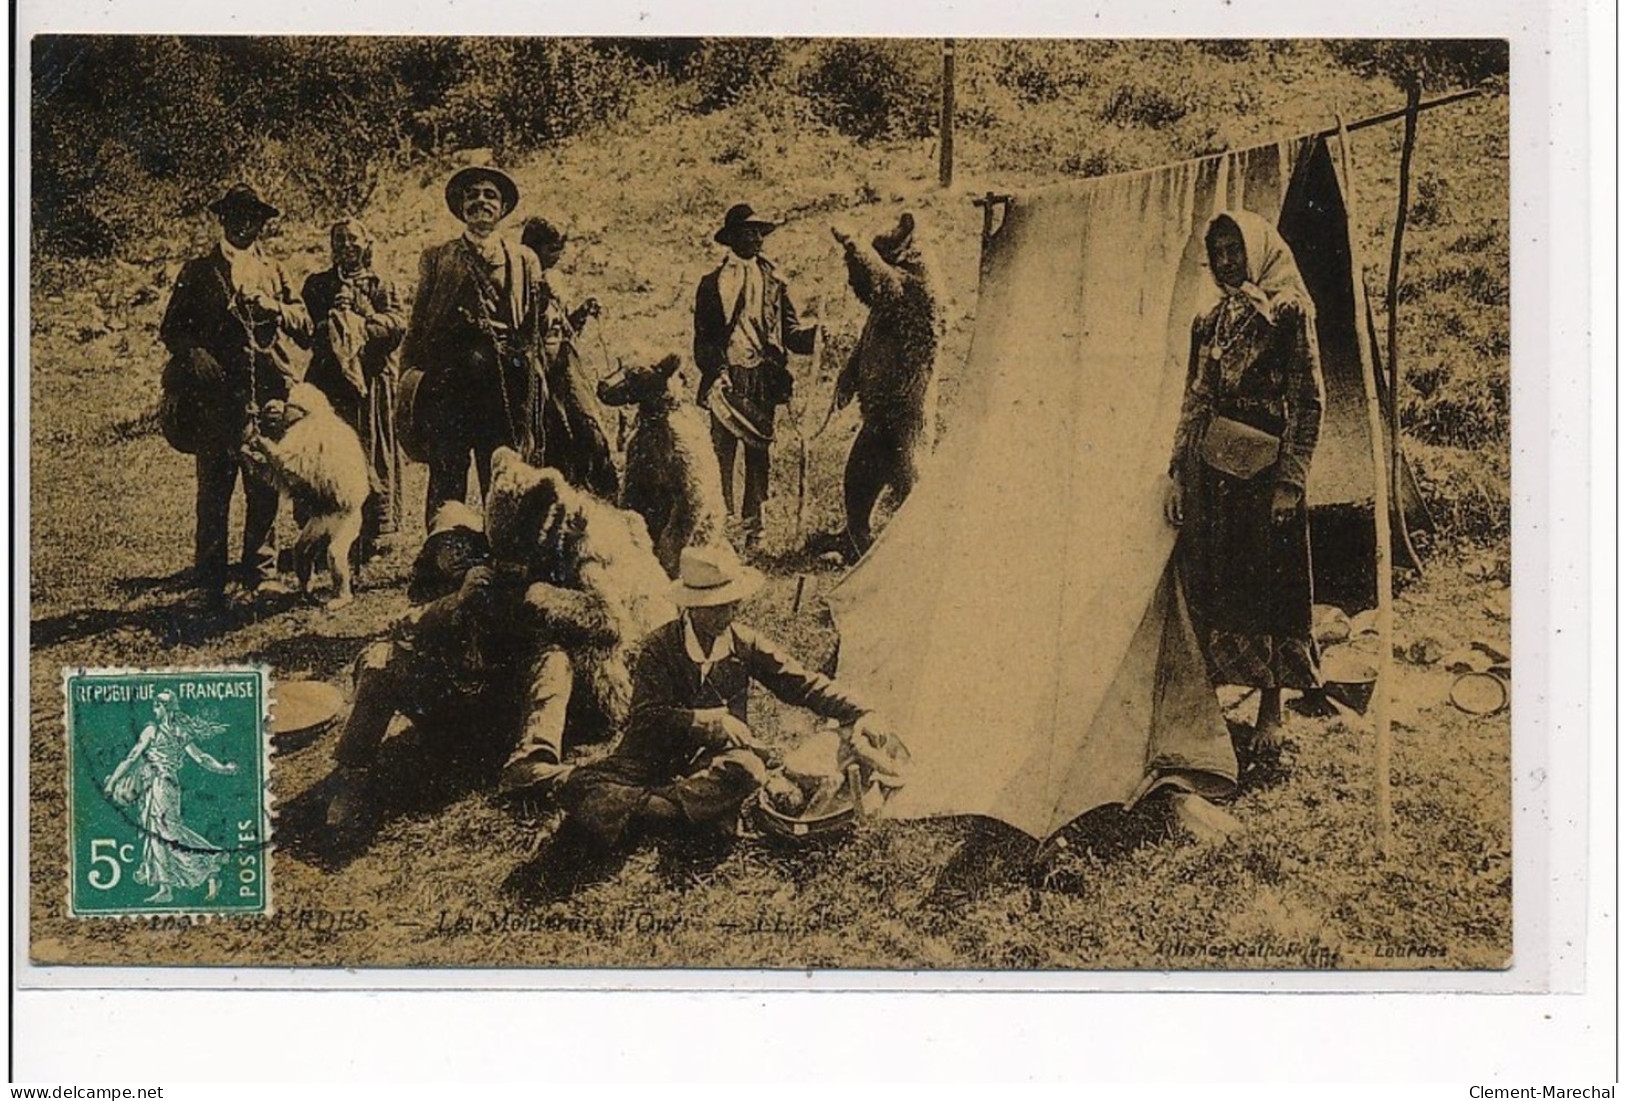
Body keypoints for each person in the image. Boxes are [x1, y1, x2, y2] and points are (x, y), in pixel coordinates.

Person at [557, 544, 887, 851]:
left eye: (732, 605)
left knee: (747, 769)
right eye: (715, 608)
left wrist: (862, 711)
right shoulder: (658, 648)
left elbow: (802, 684)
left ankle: (648, 809)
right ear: (690, 607)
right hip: (650, 757)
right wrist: (705, 721)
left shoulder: (744, 644)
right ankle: (677, 810)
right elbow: (646, 717)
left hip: (715, 761)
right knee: (579, 784)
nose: (726, 616)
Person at [1164, 210, 1326, 748]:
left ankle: (1271, 711)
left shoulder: (1287, 313)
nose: (1227, 262)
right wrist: (1177, 474)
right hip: (1215, 469)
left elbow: (1309, 401)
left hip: (1266, 471)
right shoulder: (1209, 321)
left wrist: (1290, 481)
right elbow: (1197, 397)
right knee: (1217, 577)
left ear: (1257, 251)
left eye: (1235, 250)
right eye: (1218, 254)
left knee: (1270, 585)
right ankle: (1209, 700)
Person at [158, 183, 312, 602]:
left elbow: (304, 324)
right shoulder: (198, 271)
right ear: (223, 220)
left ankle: (260, 573)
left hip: (265, 394)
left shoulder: (275, 270)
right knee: (214, 489)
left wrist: (273, 308)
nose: (246, 225)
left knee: (263, 484)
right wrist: (194, 354)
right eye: (237, 216)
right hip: (213, 398)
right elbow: (171, 329)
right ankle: (208, 580)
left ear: (262, 224)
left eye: (254, 218)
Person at [402, 166, 545, 526]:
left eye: (489, 195)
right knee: (447, 466)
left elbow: (534, 325)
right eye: (472, 195)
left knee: (502, 465)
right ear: (461, 205)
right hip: (450, 379)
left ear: (502, 207)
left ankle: (503, 548)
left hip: (502, 380)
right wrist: (409, 377)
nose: (480, 201)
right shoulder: (437, 256)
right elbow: (417, 324)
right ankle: (442, 550)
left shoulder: (523, 259)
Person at [693, 203, 818, 549]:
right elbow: (703, 338)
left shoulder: (776, 282)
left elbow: (791, 332)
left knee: (758, 452)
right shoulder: (711, 284)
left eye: (759, 231)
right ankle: (721, 525)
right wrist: (716, 371)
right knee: (723, 452)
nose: (755, 238)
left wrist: (816, 337)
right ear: (731, 238)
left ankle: (754, 527)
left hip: (762, 376)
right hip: (726, 378)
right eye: (748, 232)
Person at [829, 211, 940, 560]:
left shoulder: (920, 289)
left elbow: (883, 284)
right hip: (878, 415)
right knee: (857, 483)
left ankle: (920, 553)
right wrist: (848, 377)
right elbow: (868, 340)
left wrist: (854, 246)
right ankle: (858, 541)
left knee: (912, 488)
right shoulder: (885, 303)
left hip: (906, 416)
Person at [301, 218, 407, 556]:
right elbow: (305, 330)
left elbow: (398, 326)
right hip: (330, 382)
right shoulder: (317, 285)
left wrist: (362, 318)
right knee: (329, 458)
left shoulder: (382, 283)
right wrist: (332, 322)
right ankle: (323, 530)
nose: (346, 246)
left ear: (367, 243)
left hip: (371, 381)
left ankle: (375, 531)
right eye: (339, 240)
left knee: (371, 451)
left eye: (353, 239)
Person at [518, 216, 620, 500]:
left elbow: (565, 329)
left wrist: (582, 312)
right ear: (534, 248)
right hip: (537, 367)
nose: (558, 256)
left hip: (564, 364)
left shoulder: (555, 279)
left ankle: (601, 495)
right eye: (552, 249)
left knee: (588, 426)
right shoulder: (521, 277)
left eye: (560, 249)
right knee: (555, 433)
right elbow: (524, 327)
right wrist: (539, 302)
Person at [103, 690, 238, 903]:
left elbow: (131, 758)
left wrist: (111, 783)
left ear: (163, 708)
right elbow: (202, 758)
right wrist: (223, 768)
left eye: (156, 706)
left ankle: (172, 885)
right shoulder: (179, 731)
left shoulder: (152, 730)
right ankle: (204, 867)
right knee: (165, 831)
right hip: (165, 786)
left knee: (162, 834)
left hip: (158, 785)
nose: (153, 710)